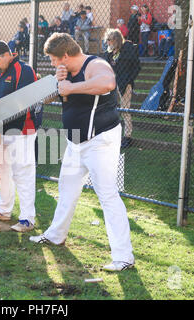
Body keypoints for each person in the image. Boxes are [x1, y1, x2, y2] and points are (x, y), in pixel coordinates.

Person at [29, 33, 135, 272]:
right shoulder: (64, 73)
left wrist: (71, 87)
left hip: (100, 139)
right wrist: (57, 83)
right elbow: (46, 99)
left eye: (55, 60)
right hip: (76, 140)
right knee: (66, 188)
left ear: (65, 55)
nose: (53, 64)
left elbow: (108, 83)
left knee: (107, 195)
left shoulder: (95, 64)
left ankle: (124, 256)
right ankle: (56, 235)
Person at [0, 40, 39, 233]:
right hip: (0, 130)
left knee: (22, 173)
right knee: (1, 170)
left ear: (8, 54)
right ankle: (4, 209)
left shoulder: (24, 71)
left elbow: (22, 103)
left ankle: (27, 219)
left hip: (21, 130)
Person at [104, 29, 141, 149]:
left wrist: (129, 80)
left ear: (116, 40)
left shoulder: (128, 50)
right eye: (107, 40)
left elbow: (137, 67)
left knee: (125, 110)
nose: (108, 42)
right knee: (111, 109)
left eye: (110, 40)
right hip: (111, 84)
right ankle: (112, 134)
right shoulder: (109, 53)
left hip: (124, 84)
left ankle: (127, 136)